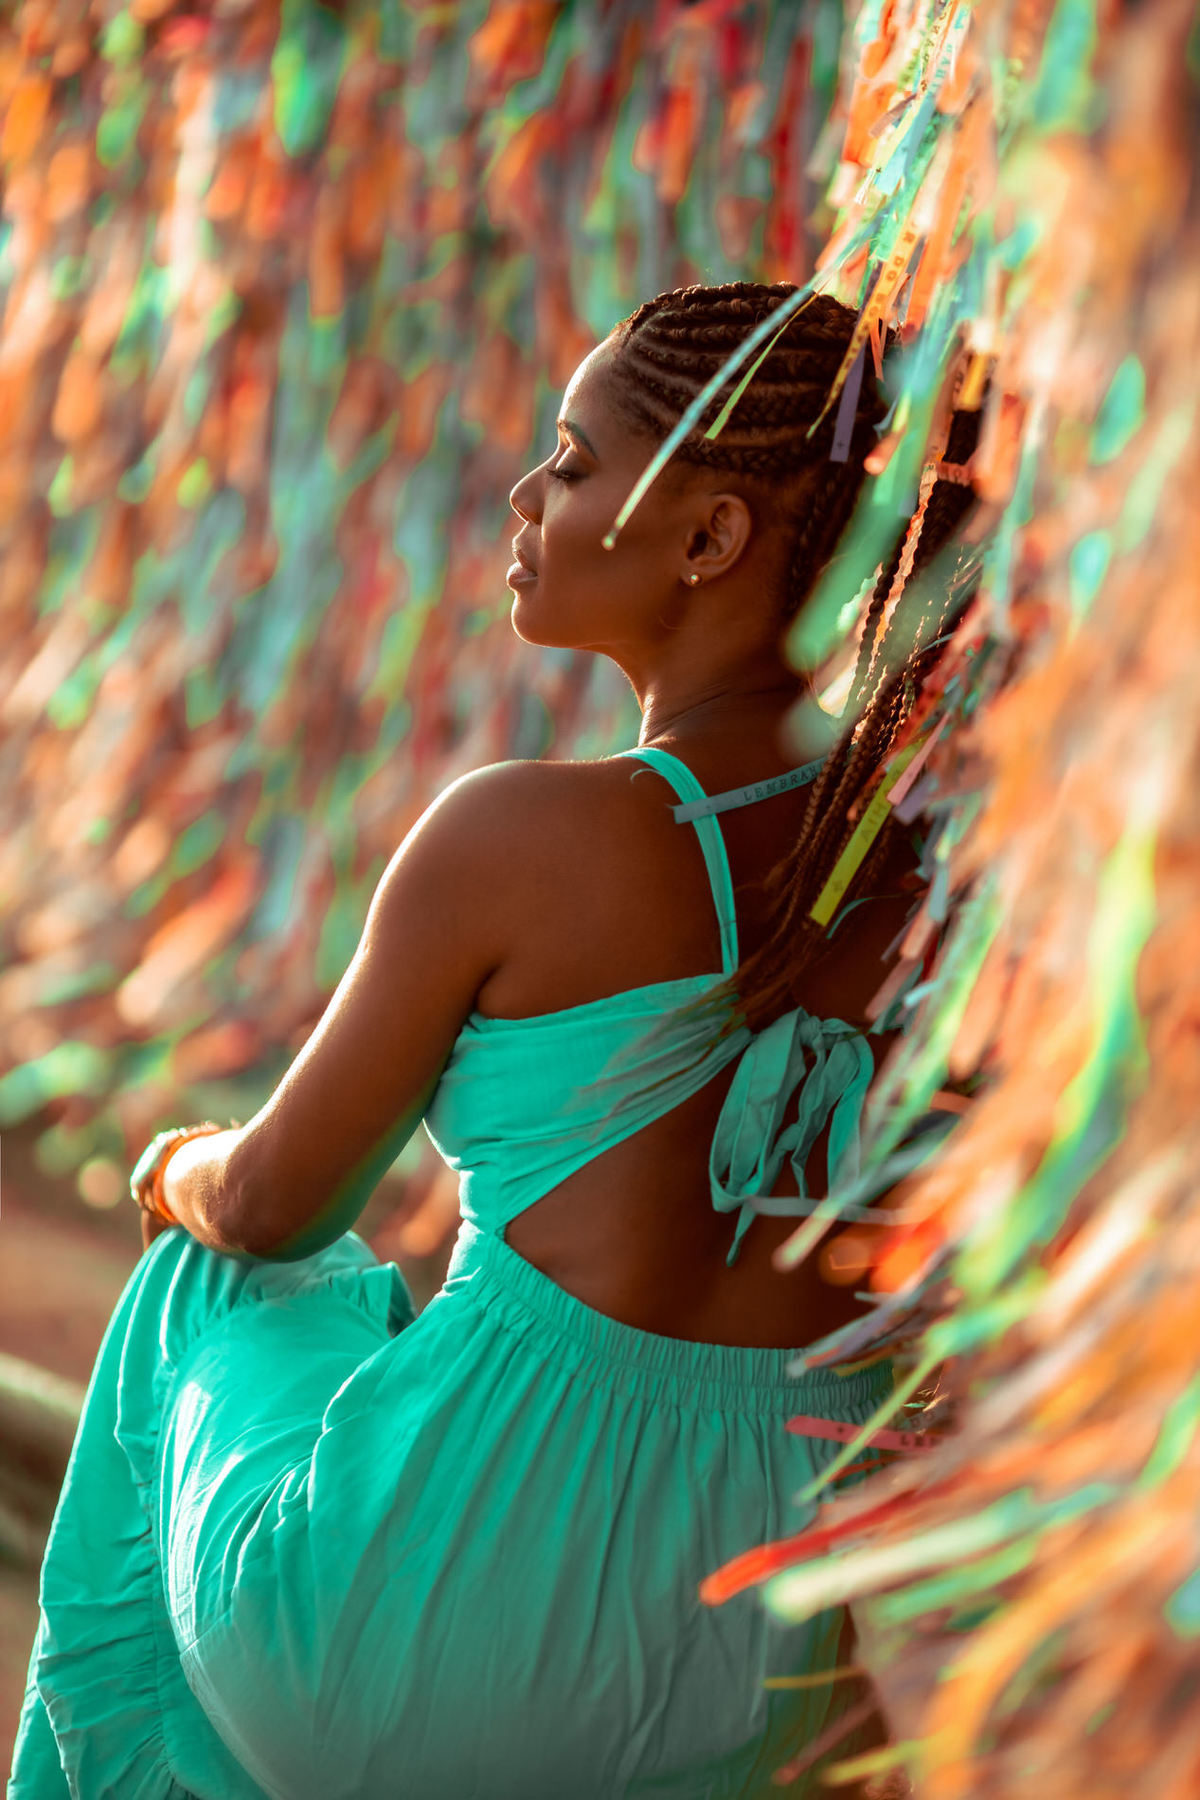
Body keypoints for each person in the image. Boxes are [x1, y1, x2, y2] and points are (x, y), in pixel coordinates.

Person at [10, 282, 981, 1800]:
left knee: (215, 1263)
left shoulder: (526, 837)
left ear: (710, 538)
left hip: (389, 1664)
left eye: (575, 460)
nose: (530, 496)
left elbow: (280, 1205)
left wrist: (179, 1164)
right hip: (731, 1702)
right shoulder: (956, 888)